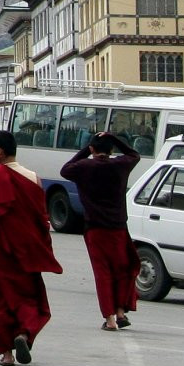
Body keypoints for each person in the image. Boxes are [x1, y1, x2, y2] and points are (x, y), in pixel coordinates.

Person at [0, 129, 62, 366]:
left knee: (0, 298)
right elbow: (41, 217)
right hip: (27, 248)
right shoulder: (33, 178)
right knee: (29, 294)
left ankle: (7, 353)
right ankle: (25, 332)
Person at [60, 131, 141, 330]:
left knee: (102, 273)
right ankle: (120, 312)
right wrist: (113, 137)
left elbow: (64, 170)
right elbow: (134, 154)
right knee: (121, 270)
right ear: (111, 149)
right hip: (119, 228)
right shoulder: (120, 165)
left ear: (92, 149)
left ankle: (110, 319)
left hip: (95, 229)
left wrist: (85, 151)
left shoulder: (84, 167)